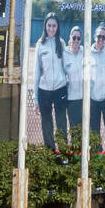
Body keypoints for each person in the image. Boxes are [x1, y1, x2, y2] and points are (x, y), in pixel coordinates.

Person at [32, 13, 69, 150]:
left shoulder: (62, 43)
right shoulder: (40, 44)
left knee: (61, 122)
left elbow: (66, 68)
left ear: (57, 27)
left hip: (60, 88)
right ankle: (50, 152)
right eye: (49, 25)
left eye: (54, 26)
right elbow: (36, 72)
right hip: (44, 91)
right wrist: (36, 98)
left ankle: (64, 151)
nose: (51, 28)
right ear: (45, 26)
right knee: (46, 123)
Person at [88, 25, 105, 151]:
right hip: (92, 99)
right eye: (99, 36)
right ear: (94, 37)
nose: (101, 39)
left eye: (103, 37)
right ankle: (96, 154)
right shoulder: (87, 53)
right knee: (94, 129)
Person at [64, 25, 86, 141]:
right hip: (71, 99)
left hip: (84, 99)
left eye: (78, 38)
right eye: (74, 37)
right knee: (74, 129)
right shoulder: (64, 54)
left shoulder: (85, 52)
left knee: (84, 129)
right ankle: (76, 155)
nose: (76, 40)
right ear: (70, 38)